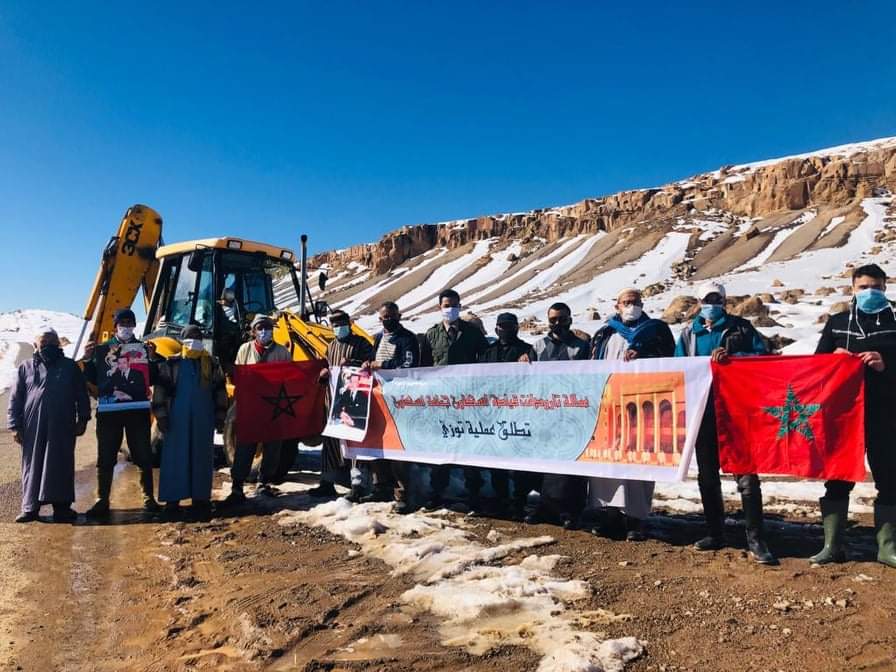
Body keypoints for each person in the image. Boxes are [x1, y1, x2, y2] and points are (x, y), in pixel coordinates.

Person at [674, 281, 777, 565]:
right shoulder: (687, 334)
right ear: (698, 301)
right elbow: (677, 370)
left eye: (717, 299)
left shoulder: (741, 328)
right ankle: (715, 533)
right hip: (703, 413)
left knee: (746, 476)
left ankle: (756, 539)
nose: (712, 303)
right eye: (707, 298)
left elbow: (763, 358)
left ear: (725, 300)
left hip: (737, 413)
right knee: (707, 476)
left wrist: (735, 359)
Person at [812, 264, 896, 568]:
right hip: (844, 418)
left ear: (885, 288)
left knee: (889, 479)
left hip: (885, 414)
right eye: (863, 287)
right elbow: (814, 367)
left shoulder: (895, 321)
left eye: (876, 286)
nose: (869, 292)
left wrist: (886, 365)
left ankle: (887, 548)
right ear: (853, 288)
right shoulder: (837, 323)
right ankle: (832, 546)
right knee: (837, 478)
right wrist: (833, 361)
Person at [589, 288, 675, 541]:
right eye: (626, 302)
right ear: (617, 306)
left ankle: (636, 519)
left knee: (639, 460)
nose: (630, 306)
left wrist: (644, 356)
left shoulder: (655, 331)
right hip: (608, 405)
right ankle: (611, 514)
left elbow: (670, 359)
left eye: (635, 302)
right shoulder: (604, 333)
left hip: (643, 406)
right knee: (607, 460)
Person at [7, 329, 90, 523]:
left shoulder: (70, 367)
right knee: (32, 465)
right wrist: (14, 426)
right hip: (32, 425)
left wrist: (83, 419)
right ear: (36, 346)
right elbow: (15, 399)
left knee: (60, 464)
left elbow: (81, 395)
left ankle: (62, 508)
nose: (47, 347)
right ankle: (30, 509)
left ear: (58, 345)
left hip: (63, 424)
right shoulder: (25, 367)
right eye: (43, 344)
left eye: (52, 343)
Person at [84, 308, 160, 519]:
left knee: (143, 454)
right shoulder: (103, 350)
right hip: (109, 414)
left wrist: (153, 359)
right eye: (122, 322)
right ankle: (102, 500)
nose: (126, 326)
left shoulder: (143, 349)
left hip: (137, 412)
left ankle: (148, 498)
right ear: (115, 325)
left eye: (130, 322)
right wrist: (88, 358)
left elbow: (152, 379)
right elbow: (89, 377)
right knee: (106, 455)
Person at [152, 325, 228, 517]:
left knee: (201, 456)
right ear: (182, 340)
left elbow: (219, 391)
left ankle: (200, 499)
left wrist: (220, 416)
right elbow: (160, 391)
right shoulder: (172, 363)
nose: (194, 340)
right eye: (190, 336)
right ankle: (172, 500)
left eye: (197, 336)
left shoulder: (210, 363)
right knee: (174, 458)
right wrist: (161, 416)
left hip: (204, 417)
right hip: (177, 418)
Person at [424, 289, 489, 511]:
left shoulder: (472, 333)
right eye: (446, 305)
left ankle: (474, 493)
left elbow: (488, 360)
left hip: (468, 401)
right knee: (440, 446)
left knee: (469, 445)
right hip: (440, 402)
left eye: (454, 305)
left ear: (459, 306)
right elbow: (423, 367)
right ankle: (437, 491)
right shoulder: (431, 334)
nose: (450, 309)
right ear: (439, 307)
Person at [529, 302, 590, 529]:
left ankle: (571, 510)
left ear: (570, 319)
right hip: (544, 412)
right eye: (553, 319)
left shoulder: (581, 347)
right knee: (545, 461)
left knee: (571, 463)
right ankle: (545, 506)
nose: (557, 324)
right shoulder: (538, 346)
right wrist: (524, 362)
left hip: (573, 412)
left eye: (562, 319)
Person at [224, 314, 291, 503]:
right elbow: (239, 375)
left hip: (272, 405)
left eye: (267, 327)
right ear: (253, 331)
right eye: (260, 328)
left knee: (272, 446)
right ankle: (237, 485)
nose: (264, 331)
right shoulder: (245, 350)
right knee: (245, 444)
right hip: (250, 406)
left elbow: (289, 376)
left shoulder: (282, 352)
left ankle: (264, 482)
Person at [361, 302, 419, 512]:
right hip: (378, 399)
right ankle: (380, 487)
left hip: (400, 400)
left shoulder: (408, 338)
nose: (389, 320)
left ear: (399, 316)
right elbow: (370, 361)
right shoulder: (376, 338)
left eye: (392, 316)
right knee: (377, 443)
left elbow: (409, 365)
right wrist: (367, 364)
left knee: (397, 448)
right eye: (385, 317)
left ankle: (402, 493)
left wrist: (383, 366)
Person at [309, 310, 374, 499]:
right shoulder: (331, 346)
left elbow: (369, 365)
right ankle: (327, 482)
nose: (338, 327)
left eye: (341, 323)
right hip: (333, 404)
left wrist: (353, 363)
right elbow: (329, 368)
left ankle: (358, 485)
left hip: (354, 403)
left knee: (354, 441)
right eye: (334, 324)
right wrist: (324, 374)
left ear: (349, 323)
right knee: (330, 442)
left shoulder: (362, 343)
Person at [480, 312, 538, 519]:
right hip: (494, 413)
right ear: (496, 329)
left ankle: (519, 500)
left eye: (510, 326)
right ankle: (501, 499)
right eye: (502, 326)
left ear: (517, 328)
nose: (506, 330)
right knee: (497, 461)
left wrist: (529, 363)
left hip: (518, 414)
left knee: (518, 461)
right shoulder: (488, 352)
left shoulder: (527, 350)